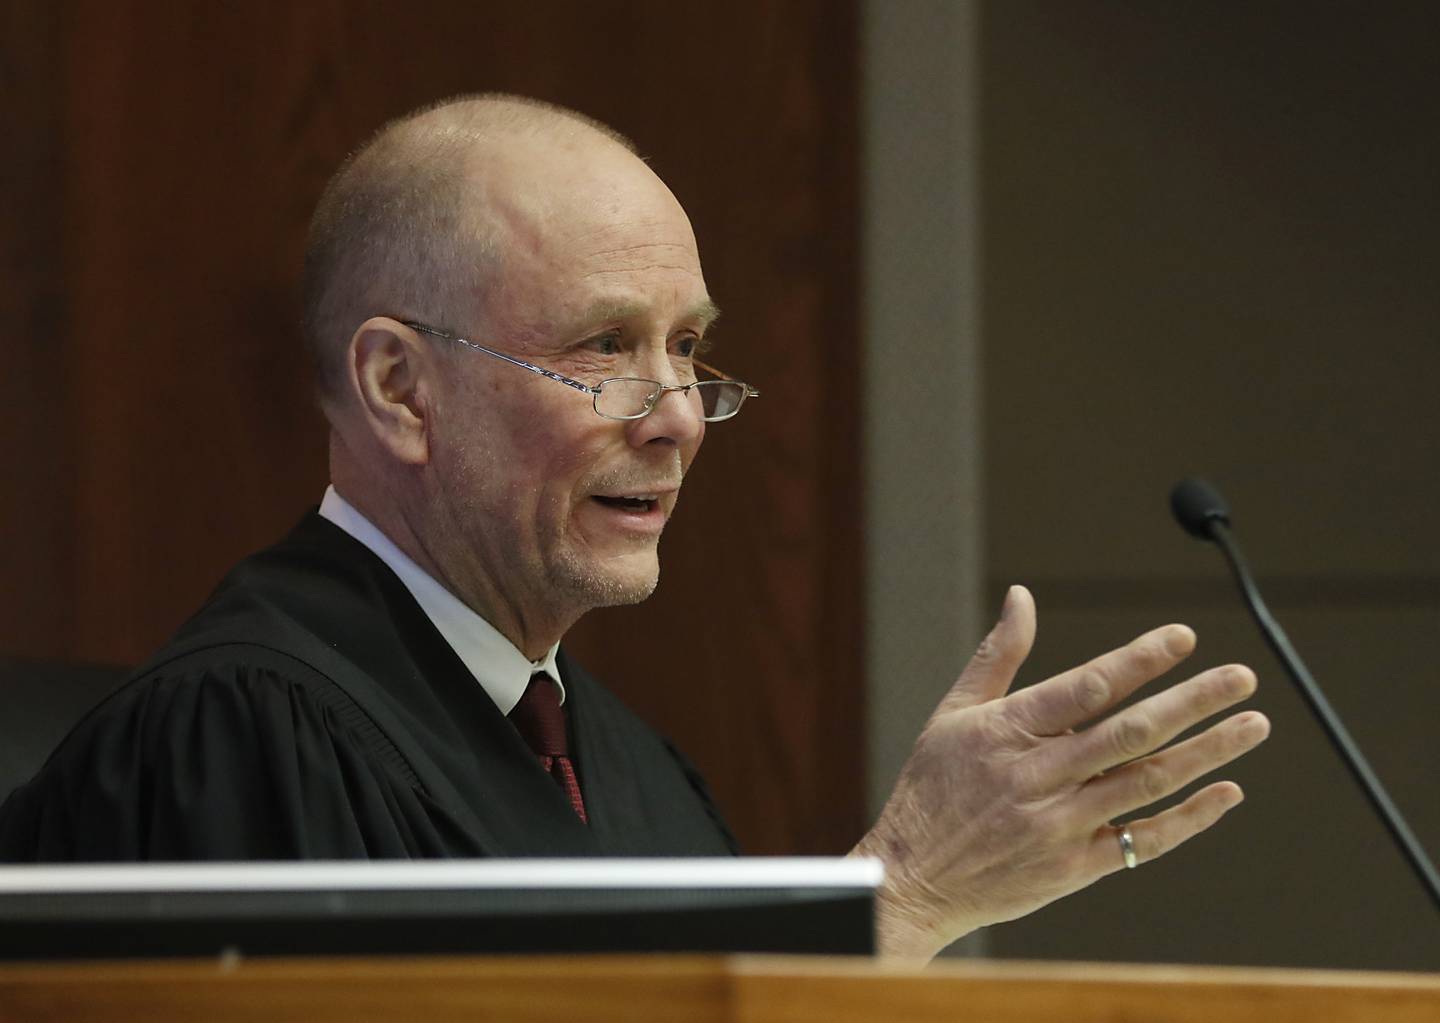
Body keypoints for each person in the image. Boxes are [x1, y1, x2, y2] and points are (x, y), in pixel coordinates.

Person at [0, 94, 1269, 961]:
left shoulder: (635, 770)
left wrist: (914, 911)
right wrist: (902, 898)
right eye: (606, 347)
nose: (679, 420)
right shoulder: (247, 732)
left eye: (692, 349)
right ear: (399, 389)